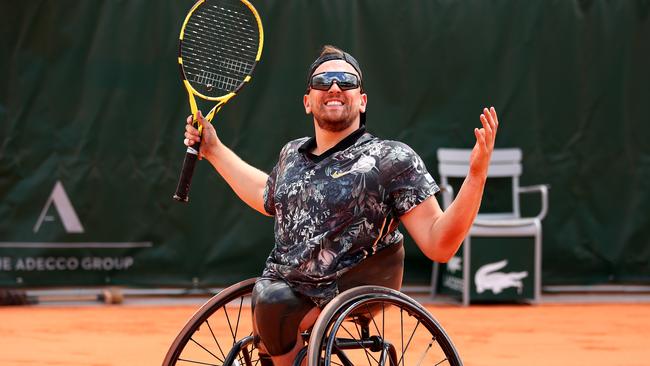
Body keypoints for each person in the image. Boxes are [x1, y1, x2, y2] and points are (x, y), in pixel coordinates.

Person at [183, 45, 499, 366]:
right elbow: (267, 194)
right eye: (323, 81)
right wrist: (213, 149)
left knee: (272, 304)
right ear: (308, 102)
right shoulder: (291, 154)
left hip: (351, 285)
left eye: (346, 81)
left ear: (362, 100)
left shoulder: (391, 159)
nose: (335, 87)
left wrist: (476, 176)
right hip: (282, 286)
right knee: (270, 304)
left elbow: (439, 243)